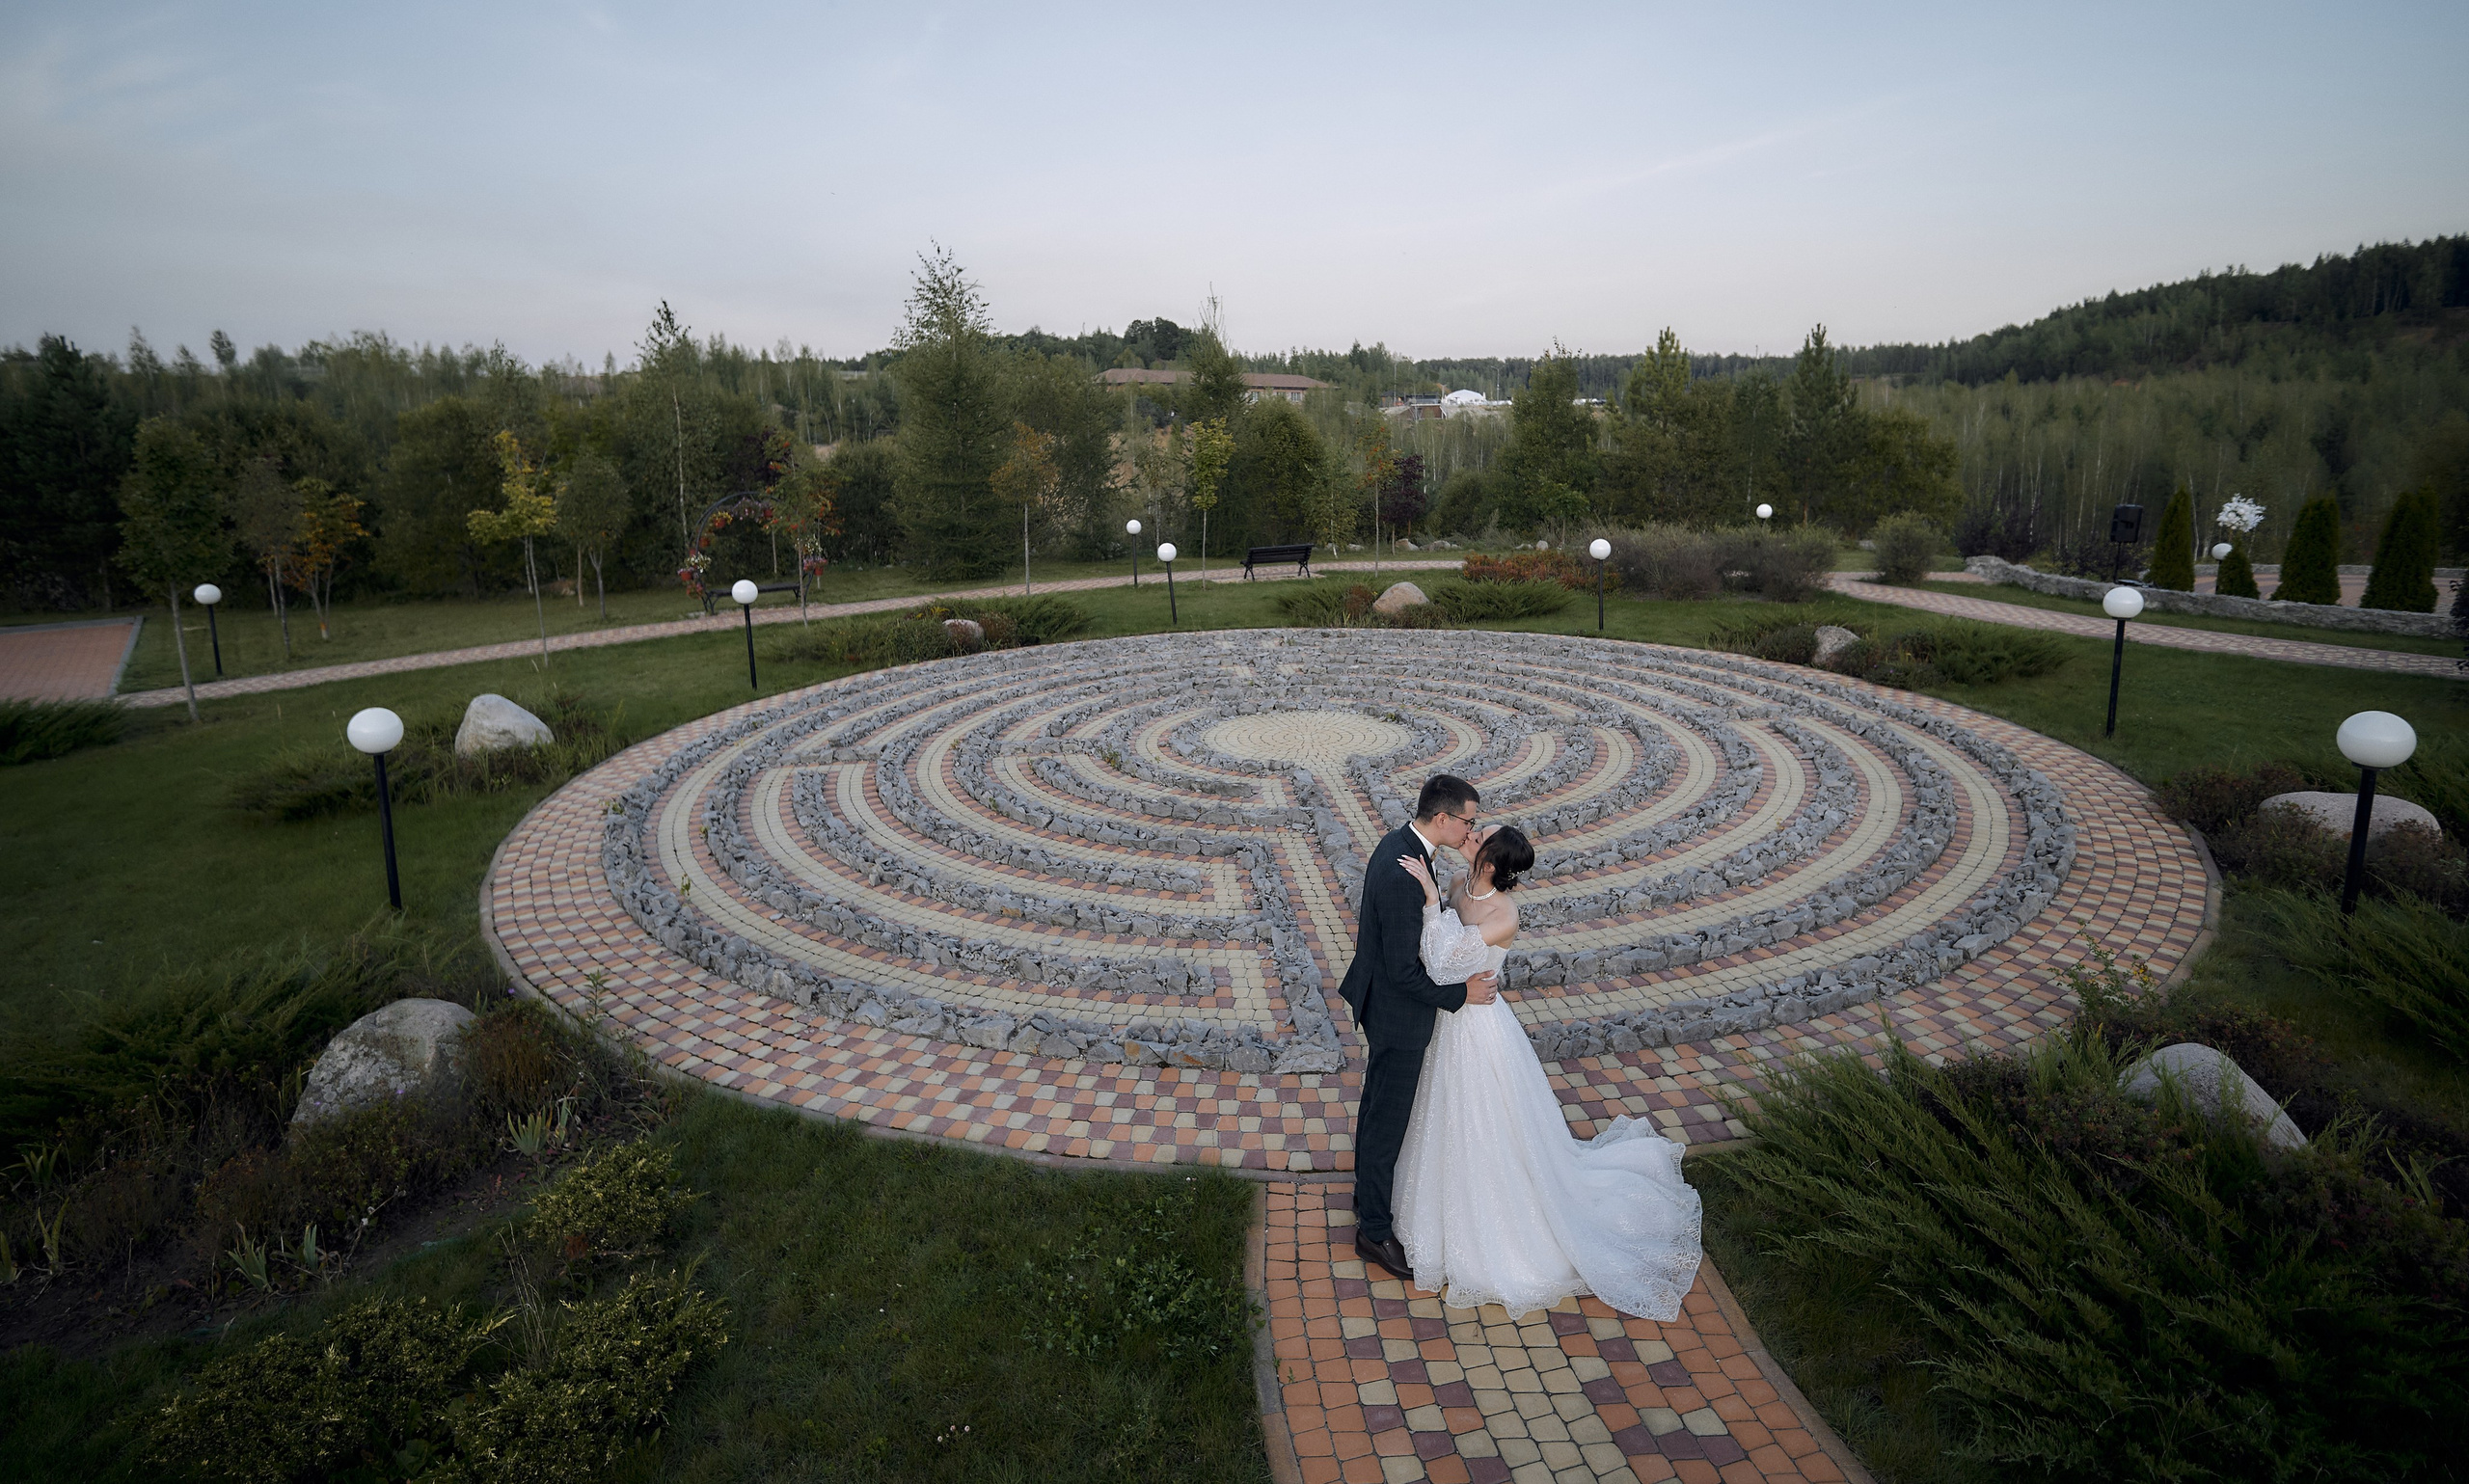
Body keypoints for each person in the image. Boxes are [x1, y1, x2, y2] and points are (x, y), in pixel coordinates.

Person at [1391, 824, 1703, 1319]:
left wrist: (1430, 903)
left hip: (1478, 1026)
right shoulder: (1457, 883)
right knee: (1439, 1112)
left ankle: (1495, 1228)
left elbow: (1444, 957)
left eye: (1480, 836)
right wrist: (1437, 896)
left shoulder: (1502, 914)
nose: (1470, 835)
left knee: (1482, 1121)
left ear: (1491, 862)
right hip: (1448, 1019)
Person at [1339, 775, 1496, 1282]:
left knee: (1376, 1105)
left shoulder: (1404, 845)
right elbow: (1405, 971)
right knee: (1387, 1121)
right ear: (1444, 818)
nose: (1473, 828)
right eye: (1469, 820)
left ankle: (1367, 1196)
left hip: (1382, 1002)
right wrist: (1460, 995)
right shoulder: (1404, 871)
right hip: (1397, 1016)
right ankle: (1375, 1231)